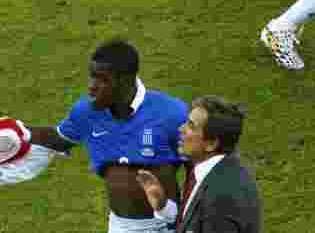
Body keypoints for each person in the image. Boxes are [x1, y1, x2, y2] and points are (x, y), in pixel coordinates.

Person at [14, 40, 189, 232]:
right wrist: (19, 132)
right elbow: (59, 139)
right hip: (120, 226)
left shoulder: (171, 113)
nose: (91, 87)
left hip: (166, 225)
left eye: (102, 79)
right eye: (92, 78)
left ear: (125, 81)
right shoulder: (87, 111)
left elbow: (198, 166)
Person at [137, 96, 261, 233]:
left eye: (191, 126)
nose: (181, 129)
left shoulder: (222, 195)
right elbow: (196, 222)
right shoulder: (214, 173)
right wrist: (163, 206)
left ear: (211, 143)